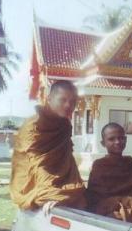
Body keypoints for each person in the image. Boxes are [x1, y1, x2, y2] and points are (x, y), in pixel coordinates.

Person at [9, 80, 86, 215]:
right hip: (32, 183)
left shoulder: (65, 125)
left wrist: (70, 186)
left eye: (73, 102)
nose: (68, 105)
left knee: (81, 196)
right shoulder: (34, 125)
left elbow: (66, 161)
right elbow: (38, 163)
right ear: (49, 99)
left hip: (60, 183)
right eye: (63, 100)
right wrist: (51, 193)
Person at [86, 123, 132, 225]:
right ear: (103, 143)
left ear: (126, 139)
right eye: (111, 139)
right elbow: (95, 196)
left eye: (121, 138)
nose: (118, 142)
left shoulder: (131, 163)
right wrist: (125, 201)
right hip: (111, 207)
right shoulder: (100, 165)